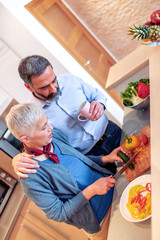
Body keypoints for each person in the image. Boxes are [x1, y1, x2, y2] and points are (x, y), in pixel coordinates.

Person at [6, 103, 124, 240]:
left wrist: (106, 158)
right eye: (44, 128)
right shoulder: (30, 175)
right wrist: (92, 190)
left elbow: (79, 160)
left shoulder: (54, 137)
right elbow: (58, 213)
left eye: (47, 122)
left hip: (115, 191)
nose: (50, 128)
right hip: (103, 221)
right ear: (25, 139)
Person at [12, 55, 122, 176]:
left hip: (112, 133)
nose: (53, 89)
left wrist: (100, 104)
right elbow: (32, 142)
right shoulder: (34, 113)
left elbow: (98, 95)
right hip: (91, 157)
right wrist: (17, 159)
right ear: (28, 87)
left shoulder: (70, 80)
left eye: (54, 80)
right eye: (44, 87)